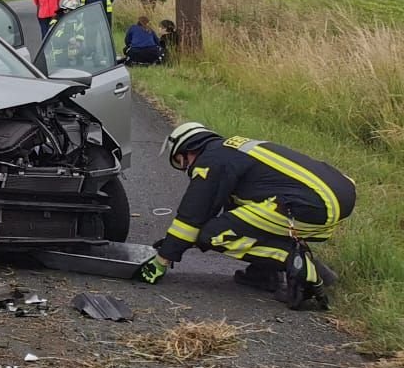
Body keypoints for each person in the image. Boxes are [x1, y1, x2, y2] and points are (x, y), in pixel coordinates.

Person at [137, 122, 355, 309]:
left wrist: (162, 260)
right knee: (236, 222)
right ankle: (264, 273)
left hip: (311, 207)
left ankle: (299, 266)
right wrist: (176, 243)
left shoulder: (210, 161)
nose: (186, 168)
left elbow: (191, 217)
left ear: (189, 149)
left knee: (212, 235)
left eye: (181, 161)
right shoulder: (233, 151)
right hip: (335, 197)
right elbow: (234, 216)